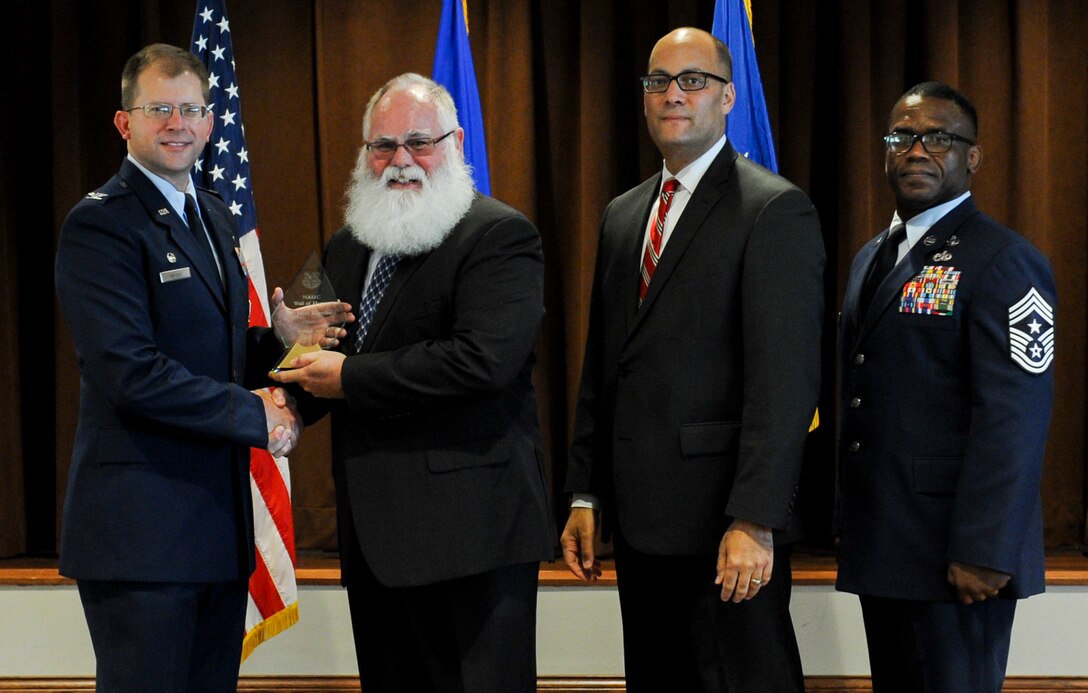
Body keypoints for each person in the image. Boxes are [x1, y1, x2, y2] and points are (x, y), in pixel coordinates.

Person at [270, 73, 554, 693]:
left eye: (418, 143)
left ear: (453, 144)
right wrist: (286, 368)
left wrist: (347, 377)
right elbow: (310, 356)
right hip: (375, 542)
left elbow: (482, 361)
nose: (400, 161)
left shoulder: (499, 235)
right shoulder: (346, 245)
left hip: (473, 538)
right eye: (383, 146)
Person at [560, 27, 824, 693]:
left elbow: (784, 383)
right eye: (658, 81)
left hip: (726, 528)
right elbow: (605, 367)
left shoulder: (773, 209)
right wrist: (586, 491)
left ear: (728, 96)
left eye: (692, 80)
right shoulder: (623, 216)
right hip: (641, 526)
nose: (672, 94)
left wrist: (754, 517)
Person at [53, 44, 318, 692]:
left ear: (209, 123)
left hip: (216, 533)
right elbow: (131, 371)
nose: (177, 123)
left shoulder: (214, 215)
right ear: (125, 122)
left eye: (190, 109)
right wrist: (255, 411)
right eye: (159, 108)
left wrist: (276, 341)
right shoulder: (100, 225)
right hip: (141, 536)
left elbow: (213, 349)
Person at [835, 82, 1056, 692]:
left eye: (939, 138)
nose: (917, 150)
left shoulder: (1004, 259)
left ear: (972, 157)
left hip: (958, 556)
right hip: (887, 543)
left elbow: (1016, 414)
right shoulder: (872, 256)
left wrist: (986, 548)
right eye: (902, 137)